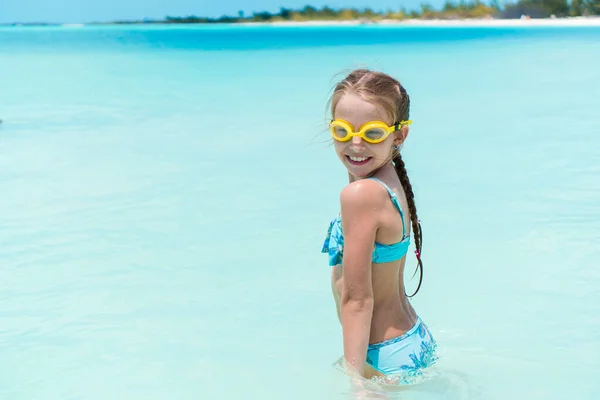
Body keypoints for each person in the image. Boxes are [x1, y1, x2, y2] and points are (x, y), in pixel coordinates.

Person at [322, 69, 438, 384]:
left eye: (372, 134)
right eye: (342, 131)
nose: (355, 144)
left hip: (382, 356)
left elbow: (357, 297)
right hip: (409, 339)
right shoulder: (387, 180)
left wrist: (355, 382)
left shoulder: (361, 194)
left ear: (399, 135)